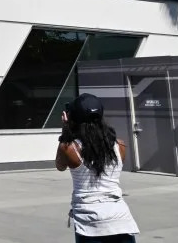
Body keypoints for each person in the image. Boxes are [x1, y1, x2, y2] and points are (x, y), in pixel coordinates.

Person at [55, 93, 139, 243]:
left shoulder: (69, 148)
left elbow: (60, 166)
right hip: (120, 220)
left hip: (89, 224)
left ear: (72, 118)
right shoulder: (119, 145)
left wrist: (66, 129)